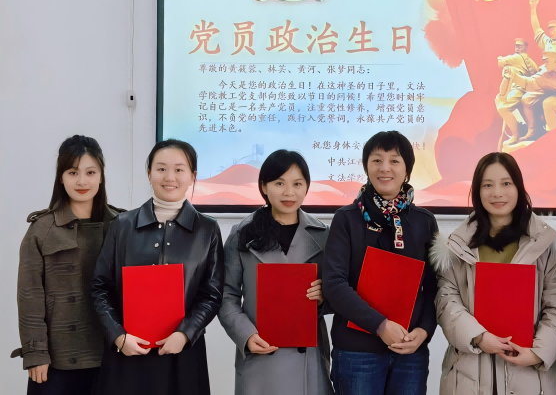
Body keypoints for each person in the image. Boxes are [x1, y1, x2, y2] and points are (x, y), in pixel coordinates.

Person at [430, 152, 556, 395]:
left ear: (519, 187)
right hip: (469, 375)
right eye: (488, 185)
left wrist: (538, 353)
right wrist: (478, 337)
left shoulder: (547, 245)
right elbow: (447, 301)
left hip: (531, 375)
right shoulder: (456, 246)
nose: (497, 193)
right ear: (477, 192)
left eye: (506, 183)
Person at [92, 139, 224, 395]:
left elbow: (212, 293)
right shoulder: (122, 225)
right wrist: (118, 335)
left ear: (192, 176)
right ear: (149, 173)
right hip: (127, 352)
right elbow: (100, 287)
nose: (169, 177)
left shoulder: (207, 229)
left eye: (179, 169)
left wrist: (185, 334)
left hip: (183, 353)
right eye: (161, 168)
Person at [323, 131, 439, 395]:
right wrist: (380, 325)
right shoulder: (346, 219)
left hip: (410, 352)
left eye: (394, 161)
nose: (385, 168)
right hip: (357, 352)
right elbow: (334, 283)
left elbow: (434, 287)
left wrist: (424, 331)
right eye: (376, 160)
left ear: (407, 170)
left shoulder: (424, 221)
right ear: (367, 167)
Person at [13, 135, 124, 395]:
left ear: (101, 176)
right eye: (73, 172)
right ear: (61, 177)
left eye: (90, 172)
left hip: (112, 353)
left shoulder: (122, 225)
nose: (82, 181)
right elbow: (30, 297)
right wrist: (35, 353)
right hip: (57, 359)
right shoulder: (41, 230)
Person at [218, 150, 332, 395]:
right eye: (279, 183)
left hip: (309, 358)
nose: (289, 192)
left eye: (297, 184)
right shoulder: (242, 233)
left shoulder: (324, 235)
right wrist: (246, 335)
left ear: (307, 187)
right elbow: (226, 295)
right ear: (264, 186)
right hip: (261, 354)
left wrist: (325, 296)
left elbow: (342, 291)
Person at [495, 38, 539, 147]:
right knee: (501, 100)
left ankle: (515, 135)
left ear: (525, 48)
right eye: (516, 46)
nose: (516, 48)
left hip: (519, 90)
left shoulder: (517, 57)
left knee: (503, 108)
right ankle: (524, 129)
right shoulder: (531, 62)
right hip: (527, 91)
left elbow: (500, 62)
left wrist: (500, 58)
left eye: (519, 46)